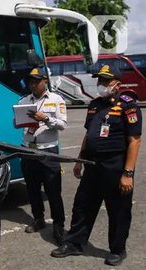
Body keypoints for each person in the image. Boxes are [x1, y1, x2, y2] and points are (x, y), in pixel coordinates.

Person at [51, 65, 142, 266]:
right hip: (92, 164)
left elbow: (134, 140)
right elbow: (88, 133)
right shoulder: (94, 105)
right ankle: (75, 243)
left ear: (117, 84)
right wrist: (79, 160)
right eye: (99, 80)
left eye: (105, 81)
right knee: (82, 205)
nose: (100, 85)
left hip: (115, 165)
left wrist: (128, 172)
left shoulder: (128, 106)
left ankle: (118, 249)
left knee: (118, 209)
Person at [16, 67, 67, 244]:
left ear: (45, 81)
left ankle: (59, 226)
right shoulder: (23, 101)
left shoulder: (56, 100)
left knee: (53, 191)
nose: (33, 84)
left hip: (48, 151)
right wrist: (17, 121)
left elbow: (62, 124)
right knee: (32, 189)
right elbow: (17, 123)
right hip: (28, 150)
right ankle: (39, 219)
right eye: (31, 81)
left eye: (36, 81)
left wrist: (45, 118)